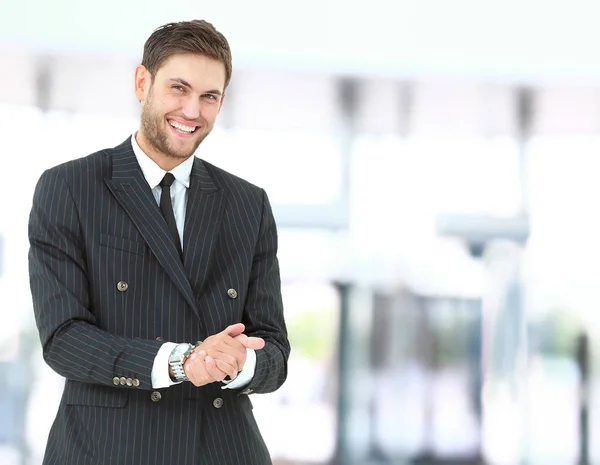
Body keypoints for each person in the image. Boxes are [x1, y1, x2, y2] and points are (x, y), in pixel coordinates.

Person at [28, 19, 290, 465]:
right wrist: (178, 362)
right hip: (107, 448)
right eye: (178, 88)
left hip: (221, 448)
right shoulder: (69, 188)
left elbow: (275, 353)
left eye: (210, 97)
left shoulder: (249, 204)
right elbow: (63, 339)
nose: (192, 111)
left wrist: (237, 363)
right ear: (142, 82)